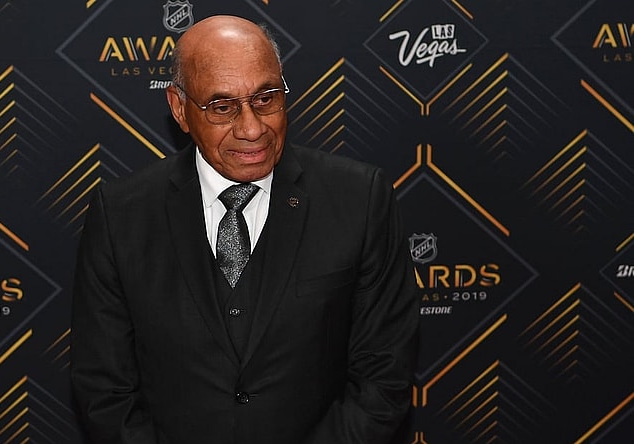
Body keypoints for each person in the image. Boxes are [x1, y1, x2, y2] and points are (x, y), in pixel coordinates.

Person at [70, 15, 419, 444]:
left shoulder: (360, 199)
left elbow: (383, 376)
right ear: (179, 108)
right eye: (222, 107)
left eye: (266, 98)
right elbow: (104, 388)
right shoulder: (121, 214)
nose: (252, 128)